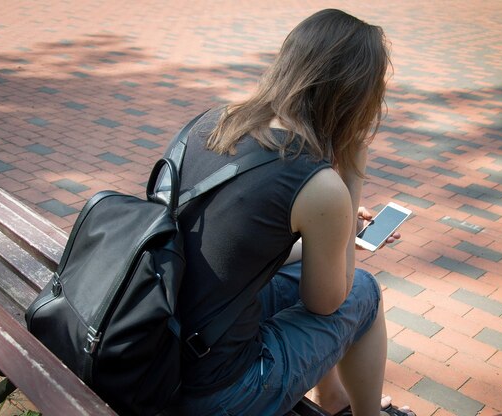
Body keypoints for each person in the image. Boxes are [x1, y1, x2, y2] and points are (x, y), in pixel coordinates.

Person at [173, 9, 413, 416]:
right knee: (365, 291)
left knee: (308, 270)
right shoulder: (319, 185)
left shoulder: (213, 124)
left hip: (165, 339)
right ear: (354, 96)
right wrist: (351, 177)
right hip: (219, 391)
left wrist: (335, 233)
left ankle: (335, 398)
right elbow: (328, 302)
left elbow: (237, 249)